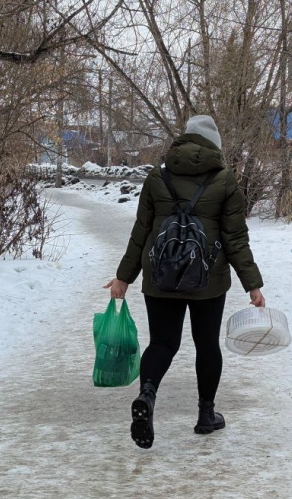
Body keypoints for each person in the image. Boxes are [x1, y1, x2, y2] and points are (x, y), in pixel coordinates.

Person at [103, 115, 265, 449]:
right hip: (208, 279)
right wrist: (253, 284)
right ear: (214, 145)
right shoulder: (225, 180)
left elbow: (141, 233)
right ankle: (207, 415)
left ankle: (147, 398)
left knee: (162, 343)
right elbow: (235, 239)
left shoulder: (156, 177)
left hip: (160, 278)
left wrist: (124, 277)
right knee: (207, 345)